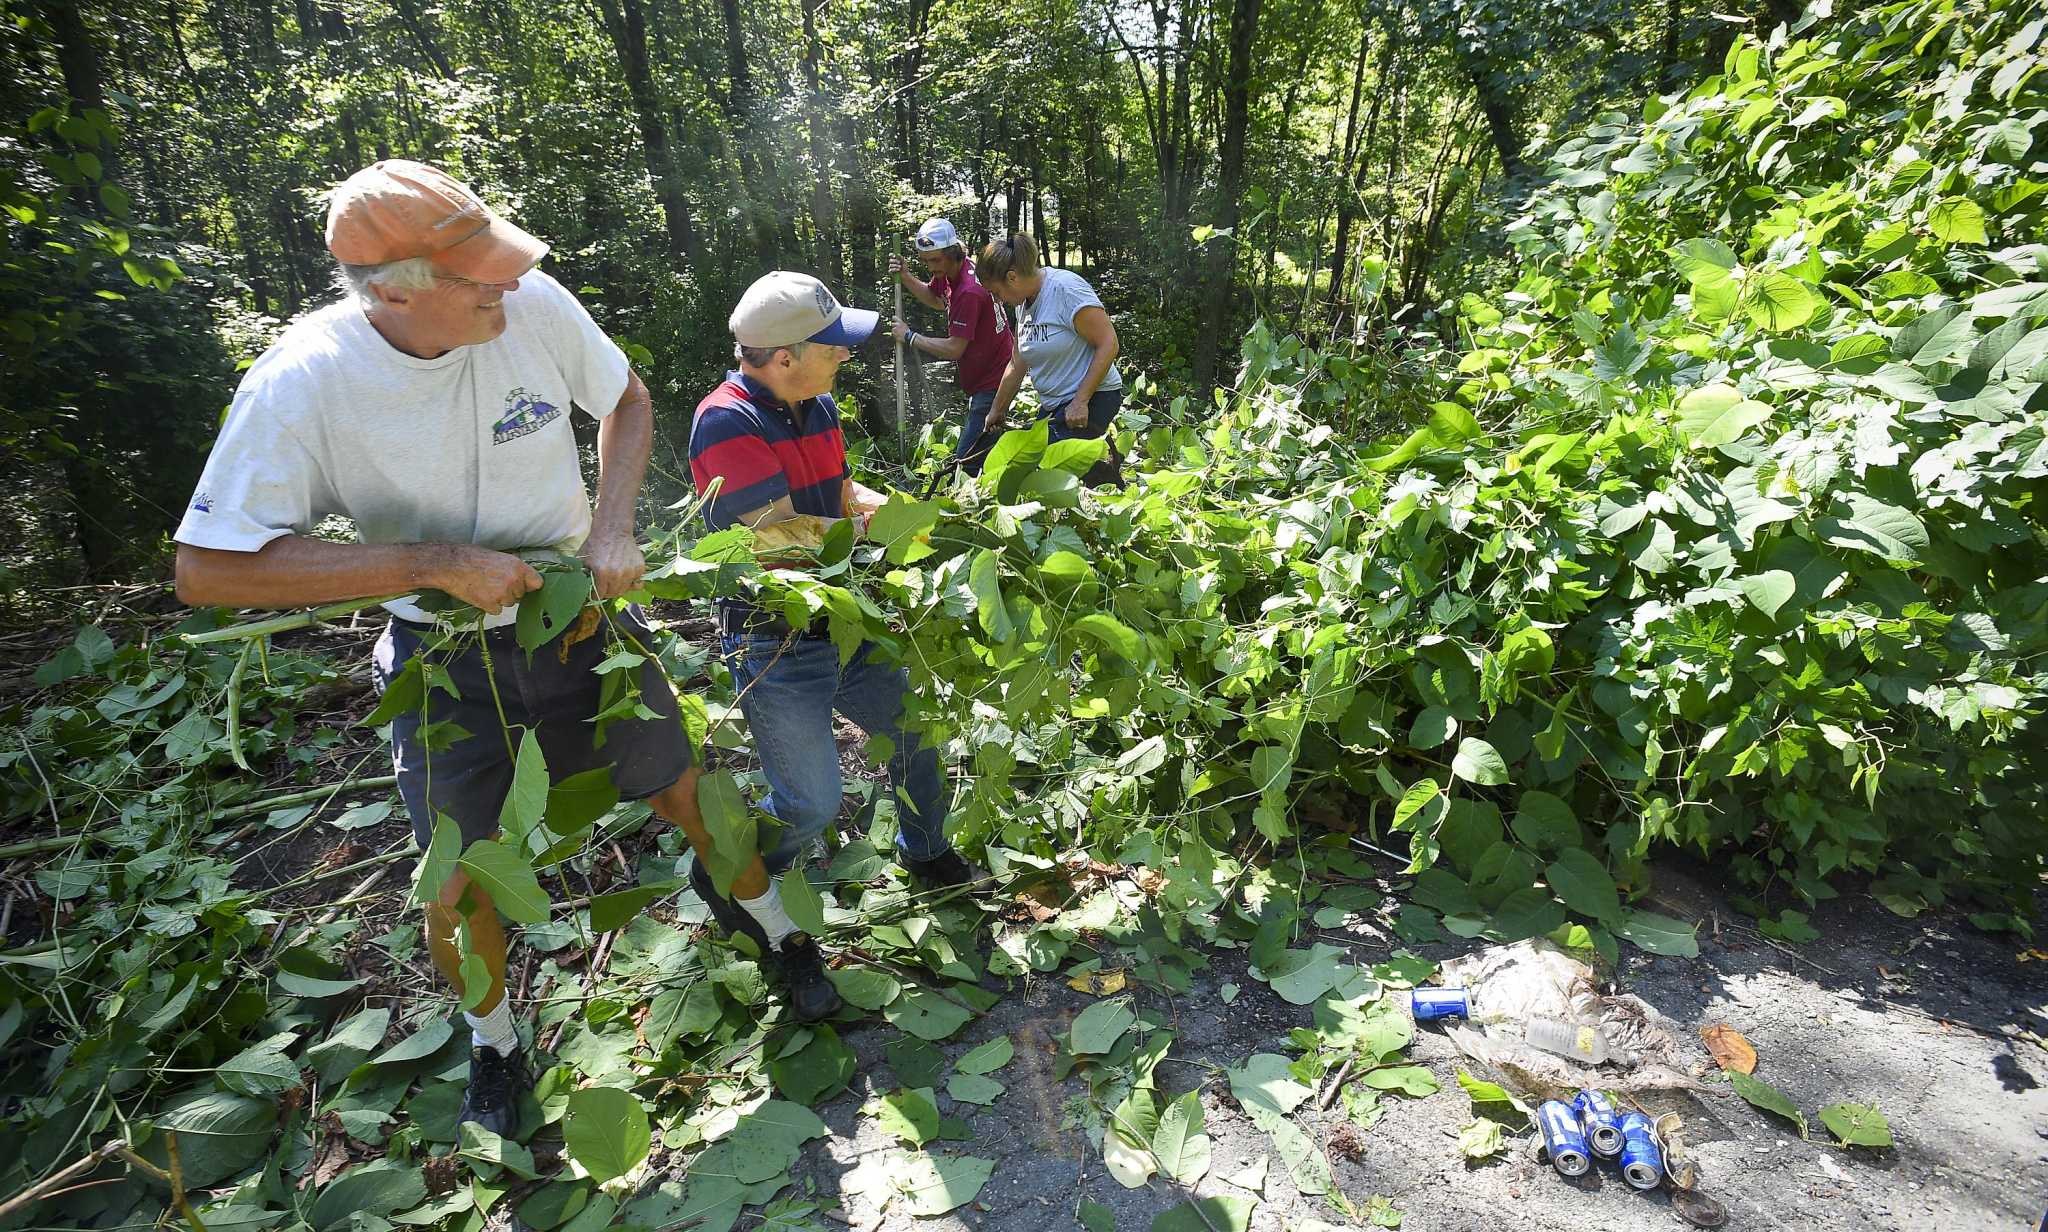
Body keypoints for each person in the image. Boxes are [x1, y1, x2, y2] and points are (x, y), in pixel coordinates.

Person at [171, 161, 777, 1143]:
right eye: (477, 274)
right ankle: (493, 1040)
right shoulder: (305, 381)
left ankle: (773, 931)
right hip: (439, 656)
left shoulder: (530, 303)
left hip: (580, 625)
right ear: (398, 289)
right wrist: (431, 562)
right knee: (452, 879)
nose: (506, 284)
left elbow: (624, 398)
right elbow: (207, 567)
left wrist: (612, 528)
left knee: (682, 785)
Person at [687, 272, 973, 994]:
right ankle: (743, 875)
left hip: (846, 616)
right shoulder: (727, 422)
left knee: (916, 733)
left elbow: (842, 497)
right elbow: (778, 539)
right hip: (775, 637)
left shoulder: (813, 404)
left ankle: (927, 849)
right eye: (833, 347)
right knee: (812, 801)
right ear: (783, 357)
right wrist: (887, 532)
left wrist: (917, 511)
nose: (844, 357)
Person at [978, 232, 1125, 486]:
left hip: (1094, 396)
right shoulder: (1023, 303)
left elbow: (1109, 343)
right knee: (1035, 460)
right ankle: (1106, 471)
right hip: (1056, 405)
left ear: (1012, 277)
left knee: (1047, 471)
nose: (996, 299)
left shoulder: (1065, 290)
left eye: (996, 291)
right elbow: (1017, 362)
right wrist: (997, 409)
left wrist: (1081, 401)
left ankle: (1113, 493)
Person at [888, 218, 1014, 475]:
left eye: (935, 260)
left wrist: (910, 336)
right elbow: (937, 299)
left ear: (954, 253)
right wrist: (906, 276)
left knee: (966, 463)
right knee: (986, 450)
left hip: (994, 381)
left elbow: (955, 349)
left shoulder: (968, 290)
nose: (931, 267)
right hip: (988, 373)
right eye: (926, 261)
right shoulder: (956, 272)